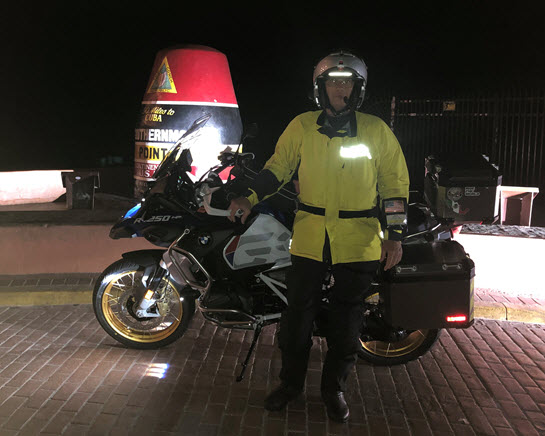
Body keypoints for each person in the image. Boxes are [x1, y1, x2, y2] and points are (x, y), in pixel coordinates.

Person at [228, 50, 409, 422]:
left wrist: (394, 235)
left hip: (358, 239)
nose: (339, 89)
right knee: (296, 318)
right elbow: (277, 168)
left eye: (347, 83)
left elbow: (394, 185)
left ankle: (334, 389)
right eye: (333, 82)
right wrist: (249, 197)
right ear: (320, 88)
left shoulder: (376, 130)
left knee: (347, 322)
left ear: (358, 89)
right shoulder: (302, 126)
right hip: (310, 237)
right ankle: (290, 384)